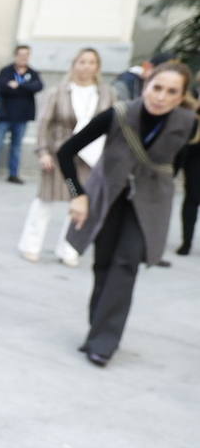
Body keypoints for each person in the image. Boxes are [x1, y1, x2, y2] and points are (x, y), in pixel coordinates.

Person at [60, 61, 198, 367]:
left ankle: (104, 342)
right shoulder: (119, 114)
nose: (161, 97)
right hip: (108, 196)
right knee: (104, 264)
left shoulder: (188, 123)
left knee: (126, 265)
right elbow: (65, 151)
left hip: (149, 204)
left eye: (171, 92)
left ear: (182, 96)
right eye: (157, 87)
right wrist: (77, 194)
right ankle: (99, 329)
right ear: (146, 83)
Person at [19, 47, 114, 264]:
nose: (86, 66)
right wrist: (43, 151)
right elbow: (44, 123)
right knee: (46, 200)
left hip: (89, 159)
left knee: (79, 199)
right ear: (74, 64)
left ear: (98, 67)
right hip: (60, 156)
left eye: (91, 62)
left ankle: (69, 247)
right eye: (82, 61)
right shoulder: (59, 92)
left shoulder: (106, 93)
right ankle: (31, 244)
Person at [0, 44, 43, 183]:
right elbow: (2, 87)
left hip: (22, 117)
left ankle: (13, 174)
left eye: (26, 55)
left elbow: (38, 86)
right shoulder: (6, 71)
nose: (23, 58)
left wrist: (19, 85)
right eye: (21, 55)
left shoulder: (33, 72)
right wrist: (23, 88)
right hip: (4, 115)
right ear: (15, 55)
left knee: (16, 147)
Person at [178, 117, 200, 257]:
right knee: (191, 204)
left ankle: (186, 244)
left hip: (194, 167)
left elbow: (187, 147)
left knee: (190, 204)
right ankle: (186, 243)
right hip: (194, 168)